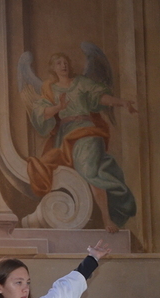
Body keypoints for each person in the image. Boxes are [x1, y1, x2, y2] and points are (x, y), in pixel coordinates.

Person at [23, 51, 137, 233]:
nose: (63, 65)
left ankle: (107, 218)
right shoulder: (50, 88)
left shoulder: (82, 82)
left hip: (88, 132)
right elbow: (41, 113)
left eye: (65, 62)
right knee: (53, 164)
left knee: (89, 170)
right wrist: (58, 107)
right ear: (53, 68)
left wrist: (121, 102)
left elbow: (99, 97)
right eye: (59, 63)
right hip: (66, 137)